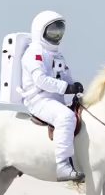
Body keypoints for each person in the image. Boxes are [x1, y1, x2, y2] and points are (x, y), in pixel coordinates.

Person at [20, 10, 85, 183]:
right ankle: (63, 165)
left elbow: (65, 75)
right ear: (40, 31)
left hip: (55, 100)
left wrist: (76, 88)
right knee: (65, 117)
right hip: (39, 100)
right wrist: (66, 87)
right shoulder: (34, 53)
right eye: (52, 31)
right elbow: (40, 80)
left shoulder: (57, 54)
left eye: (59, 31)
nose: (56, 35)